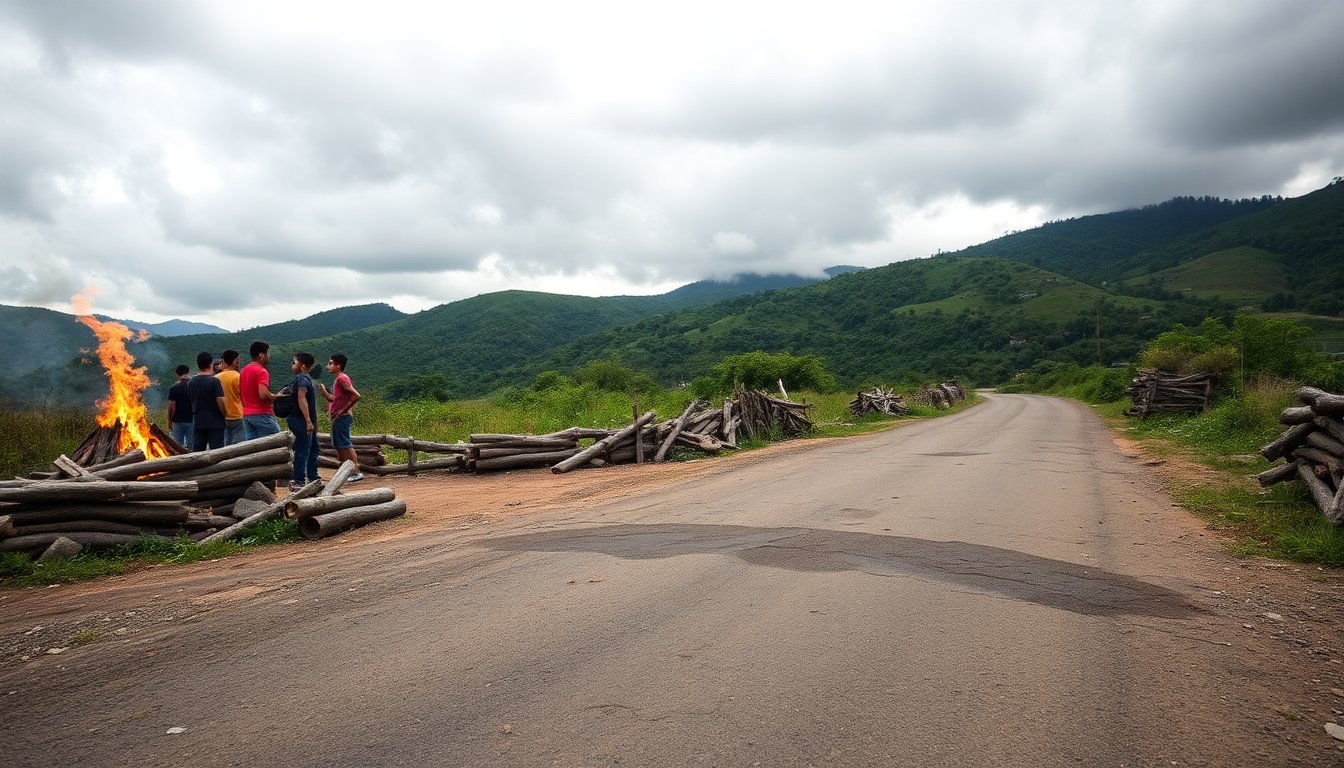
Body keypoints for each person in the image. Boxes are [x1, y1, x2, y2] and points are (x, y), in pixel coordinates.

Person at [319, 352, 365, 483]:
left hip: (342, 417)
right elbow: (334, 399)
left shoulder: (341, 378)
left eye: (330, 363)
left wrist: (342, 411)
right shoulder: (338, 379)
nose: (328, 366)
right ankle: (346, 471)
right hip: (338, 418)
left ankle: (355, 471)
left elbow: (356, 396)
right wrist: (324, 392)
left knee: (345, 444)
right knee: (339, 445)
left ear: (338, 366)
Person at [285, 351, 321, 491]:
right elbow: (302, 399)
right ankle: (298, 480)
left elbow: (303, 399)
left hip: (302, 420)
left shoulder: (302, 380)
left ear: (303, 365)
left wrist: (309, 421)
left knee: (310, 449)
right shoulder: (304, 380)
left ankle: (312, 478)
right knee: (302, 450)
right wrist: (308, 421)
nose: (292, 365)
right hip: (301, 420)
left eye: (294, 362)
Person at [240, 341, 281, 441]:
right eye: (268, 353)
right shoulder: (261, 371)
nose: (269, 355)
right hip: (261, 413)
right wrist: (275, 397)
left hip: (246, 414)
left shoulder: (243, 371)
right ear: (261, 355)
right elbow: (263, 395)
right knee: (278, 441)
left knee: (252, 447)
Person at [187, 351, 227, 451]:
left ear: (198, 364)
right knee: (217, 452)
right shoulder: (214, 381)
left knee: (198, 452)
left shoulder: (191, 382)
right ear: (211, 364)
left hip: (198, 422)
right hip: (215, 422)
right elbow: (220, 400)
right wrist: (225, 414)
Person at [217, 349, 245, 446]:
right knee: (239, 445)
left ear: (224, 361)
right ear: (234, 361)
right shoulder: (239, 377)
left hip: (221, 416)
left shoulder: (216, 378)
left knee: (226, 444)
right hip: (237, 414)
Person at [166, 365, 193, 448]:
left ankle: (179, 460)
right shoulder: (194, 385)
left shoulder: (174, 388)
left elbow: (172, 406)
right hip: (192, 420)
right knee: (191, 446)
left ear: (177, 375)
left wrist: (169, 420)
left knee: (178, 446)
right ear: (188, 372)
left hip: (177, 421)